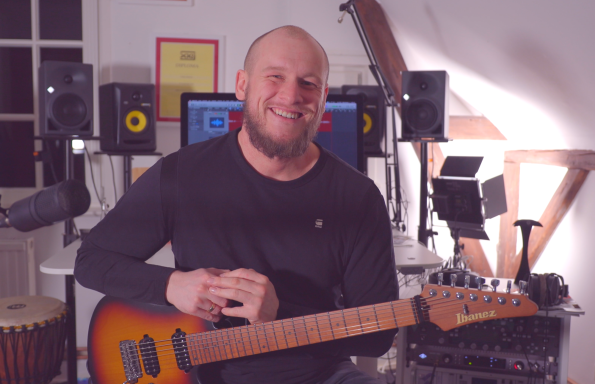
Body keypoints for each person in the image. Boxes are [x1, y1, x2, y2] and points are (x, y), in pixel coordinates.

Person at [75, 25, 398, 384]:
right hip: (196, 374)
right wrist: (171, 285)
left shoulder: (358, 198)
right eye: (275, 76)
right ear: (242, 85)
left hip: (316, 374)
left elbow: (379, 334)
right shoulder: (180, 174)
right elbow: (92, 262)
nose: (291, 95)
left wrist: (278, 314)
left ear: (322, 98)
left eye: (308, 83)